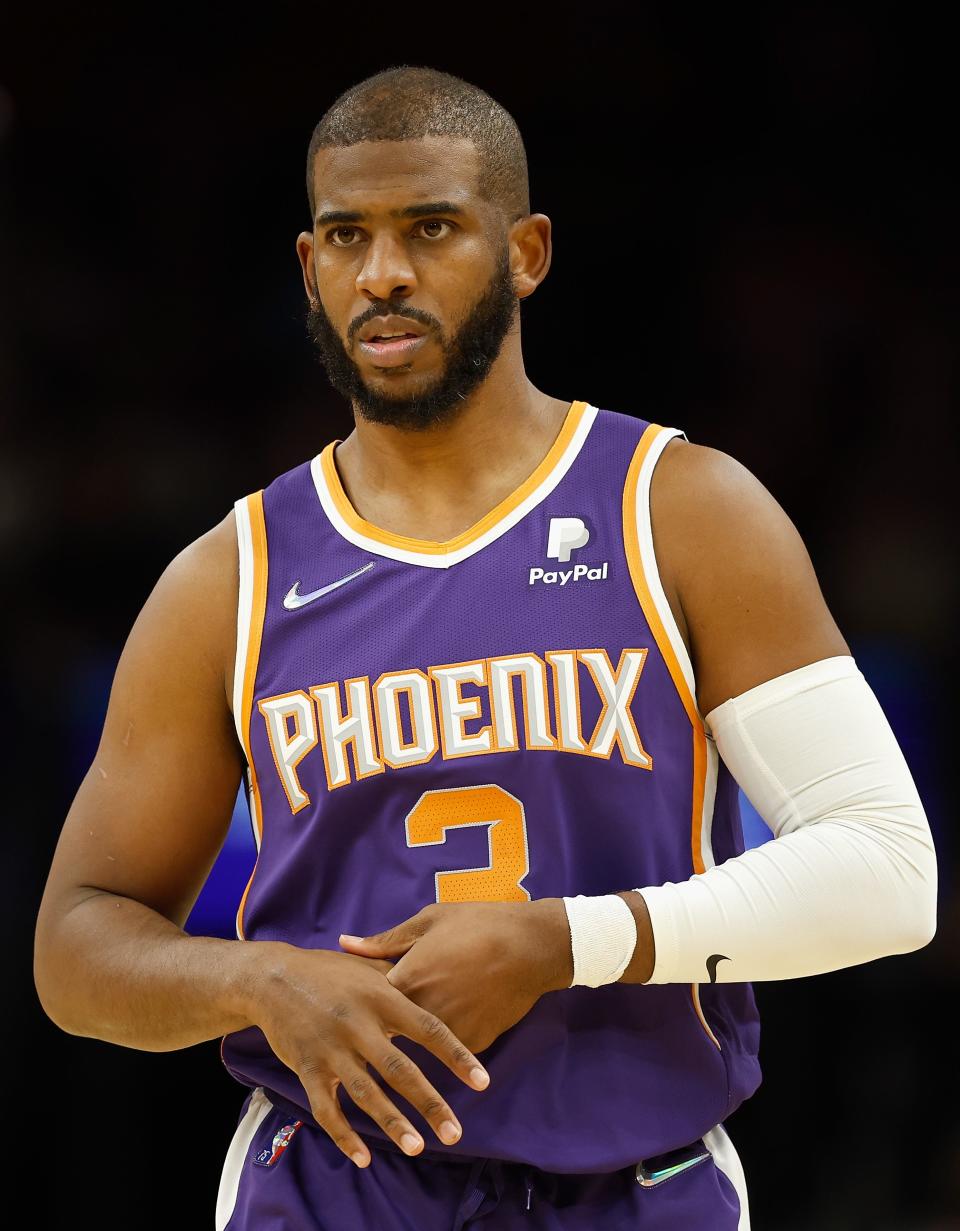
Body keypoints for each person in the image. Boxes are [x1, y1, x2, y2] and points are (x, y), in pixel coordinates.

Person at [34, 64, 938, 1231]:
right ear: (309, 269)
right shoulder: (231, 577)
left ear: (527, 252)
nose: (386, 273)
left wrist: (565, 941)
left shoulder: (682, 511)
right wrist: (254, 978)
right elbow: (76, 944)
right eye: (347, 236)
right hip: (330, 1188)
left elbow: (888, 871)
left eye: (432, 228)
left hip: (637, 1182)